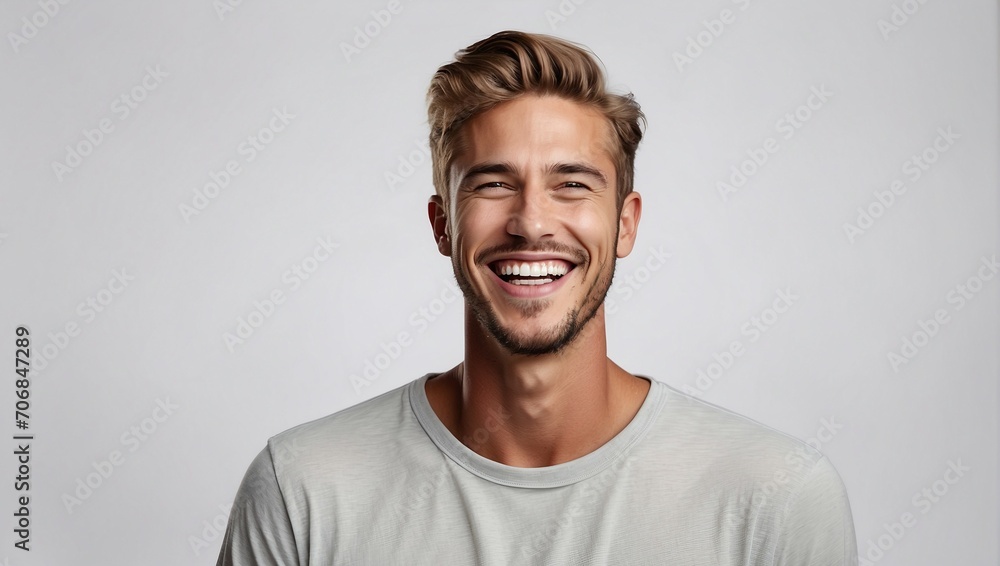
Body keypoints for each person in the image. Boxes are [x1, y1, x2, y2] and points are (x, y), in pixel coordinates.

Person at [217, 30, 858, 565]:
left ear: (626, 222)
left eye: (572, 184)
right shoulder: (302, 488)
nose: (531, 222)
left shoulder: (775, 497)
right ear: (443, 224)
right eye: (494, 184)